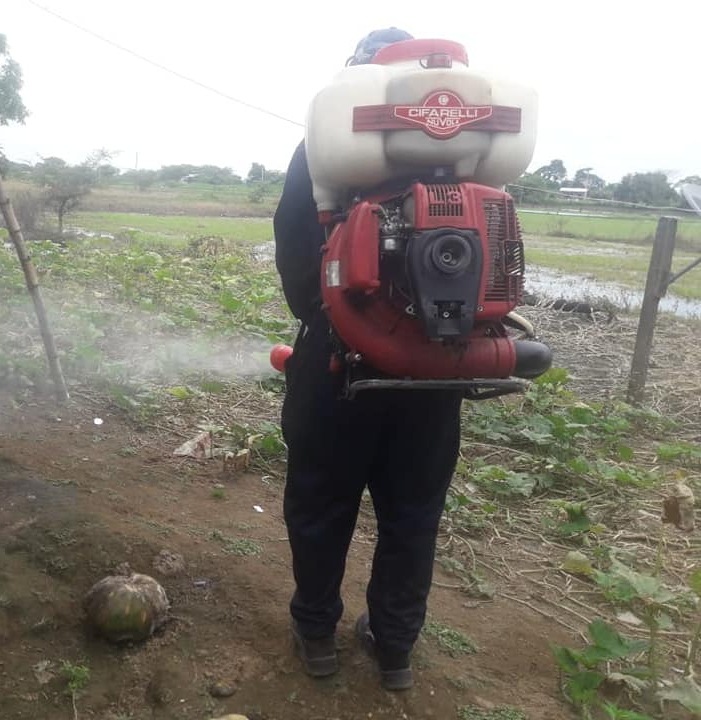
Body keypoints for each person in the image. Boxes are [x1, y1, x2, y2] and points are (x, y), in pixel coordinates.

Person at [273, 27, 465, 691]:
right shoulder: (465, 153)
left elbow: (297, 259)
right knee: (412, 515)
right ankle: (395, 649)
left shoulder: (325, 145)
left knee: (320, 505)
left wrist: (335, 318)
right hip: (435, 371)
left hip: (338, 365)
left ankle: (317, 635)